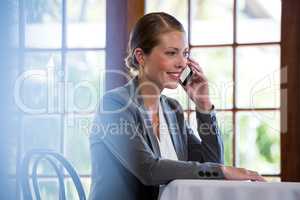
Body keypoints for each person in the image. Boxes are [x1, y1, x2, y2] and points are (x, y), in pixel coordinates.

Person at [89, 12, 265, 200]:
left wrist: (204, 106)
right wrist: (222, 171)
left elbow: (211, 162)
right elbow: (149, 169)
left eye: (185, 53)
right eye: (171, 53)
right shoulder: (114, 105)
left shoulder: (172, 109)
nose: (182, 63)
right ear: (141, 56)